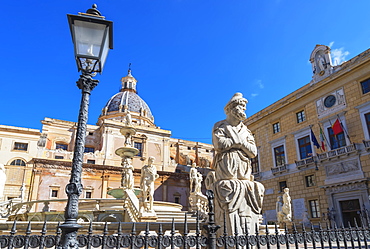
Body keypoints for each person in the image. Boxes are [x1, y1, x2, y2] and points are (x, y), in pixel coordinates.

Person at [210, 92, 265, 234]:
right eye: (241, 106)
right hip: (227, 171)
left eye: (244, 107)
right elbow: (219, 145)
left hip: (244, 172)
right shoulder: (220, 126)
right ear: (230, 109)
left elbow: (253, 152)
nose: (244, 110)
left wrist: (238, 144)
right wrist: (241, 144)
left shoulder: (246, 131)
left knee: (256, 188)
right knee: (227, 188)